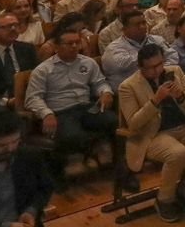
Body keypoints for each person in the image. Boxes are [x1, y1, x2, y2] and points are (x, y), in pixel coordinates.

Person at [118, 42, 185, 222]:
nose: (158, 70)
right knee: (178, 153)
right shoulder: (128, 86)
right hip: (152, 135)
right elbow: (133, 124)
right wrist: (155, 101)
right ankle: (165, 199)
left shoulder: (174, 72)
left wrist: (181, 97)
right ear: (141, 67)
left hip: (183, 126)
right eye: (152, 67)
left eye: (160, 64)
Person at [25, 25, 117, 172]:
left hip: (86, 107)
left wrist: (105, 92)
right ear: (56, 47)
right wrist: (46, 113)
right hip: (62, 111)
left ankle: (118, 165)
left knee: (112, 120)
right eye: (69, 43)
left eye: (77, 42)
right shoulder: (43, 70)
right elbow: (33, 98)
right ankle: (57, 172)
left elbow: (99, 83)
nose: (74, 46)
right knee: (71, 136)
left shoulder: (88, 62)